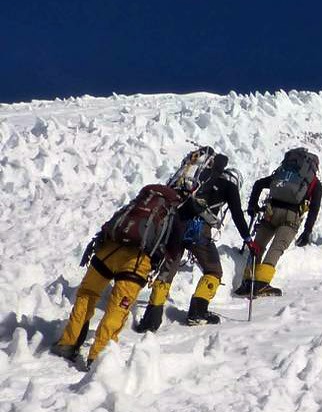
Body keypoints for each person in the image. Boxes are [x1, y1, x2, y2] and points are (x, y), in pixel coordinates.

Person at [52, 184, 187, 367]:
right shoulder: (171, 215)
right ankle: (99, 357)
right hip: (137, 262)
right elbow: (174, 248)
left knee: (87, 294)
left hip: (107, 252)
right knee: (117, 308)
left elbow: (110, 225)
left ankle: (68, 342)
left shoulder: (137, 204)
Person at [134, 154, 248, 332]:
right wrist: (248, 238)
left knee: (167, 270)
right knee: (213, 271)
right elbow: (238, 215)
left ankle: (151, 318)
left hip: (175, 223)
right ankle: (198, 312)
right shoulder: (229, 186)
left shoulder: (199, 179)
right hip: (198, 230)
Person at [235, 148, 321, 297]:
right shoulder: (312, 182)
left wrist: (252, 205)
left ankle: (247, 282)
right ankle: (261, 284)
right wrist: (307, 230)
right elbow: (314, 208)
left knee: (258, 246)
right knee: (276, 248)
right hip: (291, 217)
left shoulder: (283, 174)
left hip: (270, 212)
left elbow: (258, 184)